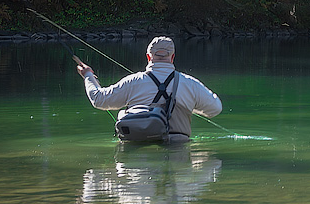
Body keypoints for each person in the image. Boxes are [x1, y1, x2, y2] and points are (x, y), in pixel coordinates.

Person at [76, 36, 222, 141]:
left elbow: (99, 100)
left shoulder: (133, 82)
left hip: (137, 157)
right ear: (172, 58)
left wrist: (88, 75)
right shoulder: (190, 83)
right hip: (178, 149)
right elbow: (216, 108)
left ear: (148, 57)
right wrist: (189, 105)